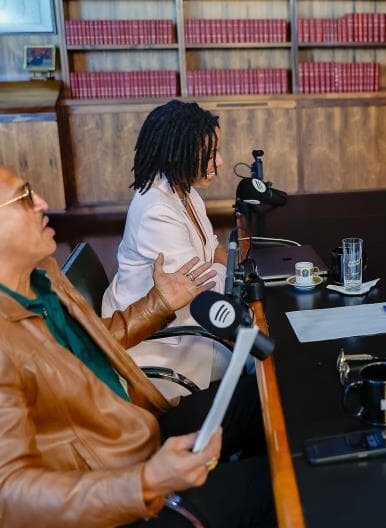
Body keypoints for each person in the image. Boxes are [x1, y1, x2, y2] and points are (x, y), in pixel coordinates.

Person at [0, 165, 274, 527]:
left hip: (133, 429)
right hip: (113, 492)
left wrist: (159, 303)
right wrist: (146, 481)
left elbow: (91, 342)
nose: (41, 202)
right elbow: (9, 495)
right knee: (277, 487)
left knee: (268, 397)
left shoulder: (41, 275)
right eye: (23, 197)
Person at [102, 100, 231, 401]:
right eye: (210, 155)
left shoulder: (185, 191)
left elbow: (213, 251)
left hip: (189, 321)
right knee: (260, 365)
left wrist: (232, 267)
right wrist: (230, 270)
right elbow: (199, 288)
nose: (220, 162)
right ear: (177, 155)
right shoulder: (156, 211)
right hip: (160, 346)